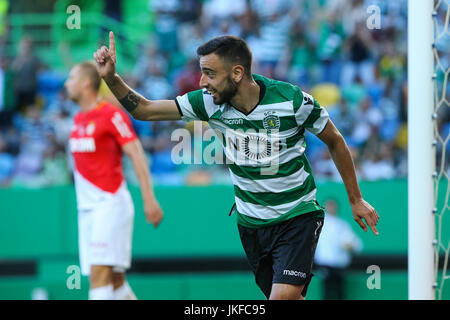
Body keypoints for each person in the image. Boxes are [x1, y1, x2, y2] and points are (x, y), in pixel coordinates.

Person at [93, 32, 379, 300]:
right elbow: (144, 109)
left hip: (297, 216)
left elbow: (336, 141)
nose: (203, 81)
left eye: (210, 73)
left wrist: (355, 199)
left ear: (237, 73)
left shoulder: (292, 101)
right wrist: (112, 78)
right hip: (251, 224)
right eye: (202, 72)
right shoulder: (208, 103)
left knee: (282, 297)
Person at [64, 62, 163, 300]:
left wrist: (149, 199)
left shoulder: (111, 114)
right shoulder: (78, 119)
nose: (66, 83)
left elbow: (136, 153)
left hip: (109, 206)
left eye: (71, 78)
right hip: (87, 210)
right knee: (116, 283)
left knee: (99, 277)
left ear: (86, 82)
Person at [314, 198, 362, 300]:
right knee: (327, 293)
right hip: (325, 264)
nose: (331, 208)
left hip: (340, 266)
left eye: (333, 205)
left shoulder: (343, 225)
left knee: (340, 293)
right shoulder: (319, 224)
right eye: (329, 205)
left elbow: (357, 245)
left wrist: (351, 246)